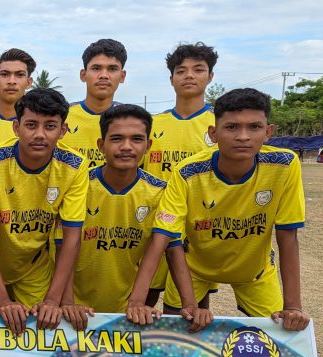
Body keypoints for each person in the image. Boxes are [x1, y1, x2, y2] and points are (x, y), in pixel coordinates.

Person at [127, 88, 309, 331]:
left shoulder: (285, 165)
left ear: (268, 132)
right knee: (180, 330)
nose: (243, 136)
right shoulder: (188, 171)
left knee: (278, 334)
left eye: (254, 127)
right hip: (194, 267)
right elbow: (163, 234)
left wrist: (293, 306)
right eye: (232, 127)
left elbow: (287, 234)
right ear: (213, 133)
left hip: (254, 271)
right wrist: (137, 301)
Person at [61, 104, 212, 331]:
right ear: (101, 145)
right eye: (117, 139)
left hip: (124, 310)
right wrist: (67, 302)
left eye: (137, 139)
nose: (126, 147)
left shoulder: (160, 192)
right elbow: (60, 249)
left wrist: (190, 305)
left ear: (148, 145)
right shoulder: (78, 187)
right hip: (71, 309)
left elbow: (173, 249)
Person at [0, 88, 89, 335]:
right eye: (31, 125)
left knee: (36, 332)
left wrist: (53, 299)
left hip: (33, 266)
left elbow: (71, 237)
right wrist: (2, 300)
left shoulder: (75, 166)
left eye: (50, 126)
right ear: (16, 128)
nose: (39, 134)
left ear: (63, 130)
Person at [144, 42, 218, 180]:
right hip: (156, 201)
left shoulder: (221, 124)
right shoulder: (151, 123)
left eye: (198, 70)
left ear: (210, 76)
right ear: (172, 79)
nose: (189, 75)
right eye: (181, 71)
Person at [60, 39, 127, 169]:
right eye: (96, 68)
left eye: (112, 69)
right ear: (83, 75)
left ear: (122, 76)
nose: (104, 75)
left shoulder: (131, 122)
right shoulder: (61, 117)